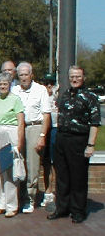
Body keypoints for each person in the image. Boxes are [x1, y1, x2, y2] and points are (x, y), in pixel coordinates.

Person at [47, 65, 101, 224]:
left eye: (78, 76)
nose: (75, 79)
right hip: (62, 139)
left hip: (79, 140)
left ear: (83, 77)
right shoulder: (64, 95)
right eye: (72, 76)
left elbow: (95, 123)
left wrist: (90, 145)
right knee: (62, 176)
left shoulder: (90, 97)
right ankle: (62, 208)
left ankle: (78, 211)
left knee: (78, 177)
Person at [11, 62, 51, 213]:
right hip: (18, 128)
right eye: (21, 75)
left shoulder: (40, 90)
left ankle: (30, 199)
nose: (23, 78)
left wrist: (42, 136)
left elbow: (46, 114)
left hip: (35, 127)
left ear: (31, 75)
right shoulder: (14, 90)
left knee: (33, 167)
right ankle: (19, 197)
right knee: (18, 163)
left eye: (26, 74)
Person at [0, 72, 25, 218]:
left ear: (10, 85)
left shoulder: (16, 100)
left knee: (9, 172)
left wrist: (19, 144)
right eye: (0, 84)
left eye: (5, 84)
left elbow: (21, 123)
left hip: (11, 134)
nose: (2, 86)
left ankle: (11, 205)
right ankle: (1, 204)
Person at [40, 73, 59, 208]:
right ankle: (47, 192)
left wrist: (56, 94)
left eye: (51, 82)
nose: (49, 85)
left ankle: (56, 192)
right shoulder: (41, 95)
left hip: (56, 130)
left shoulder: (59, 96)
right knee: (45, 163)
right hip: (44, 131)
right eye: (46, 83)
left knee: (56, 163)